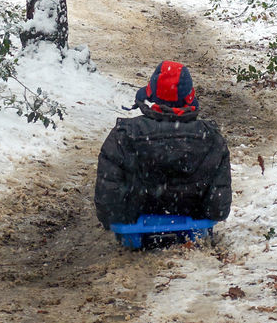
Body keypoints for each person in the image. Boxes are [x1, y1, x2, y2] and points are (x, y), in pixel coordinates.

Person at [94, 60, 231, 229]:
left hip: (136, 224)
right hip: (191, 222)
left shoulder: (124, 134)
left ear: (151, 95)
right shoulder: (211, 138)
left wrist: (119, 221)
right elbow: (218, 208)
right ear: (189, 98)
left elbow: (108, 198)